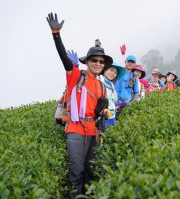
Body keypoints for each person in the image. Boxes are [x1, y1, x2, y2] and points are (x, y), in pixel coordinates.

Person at [46, 13, 112, 198]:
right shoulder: (77, 76)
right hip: (76, 128)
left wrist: (104, 112)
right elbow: (64, 59)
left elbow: (103, 110)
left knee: (91, 173)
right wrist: (56, 34)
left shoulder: (101, 85)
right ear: (87, 62)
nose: (98, 64)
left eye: (101, 62)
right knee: (77, 172)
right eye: (94, 61)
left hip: (94, 131)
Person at [99, 62, 125, 128]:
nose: (113, 73)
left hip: (112, 117)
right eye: (111, 70)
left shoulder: (111, 85)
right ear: (104, 70)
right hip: (102, 118)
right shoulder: (98, 81)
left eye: (115, 72)